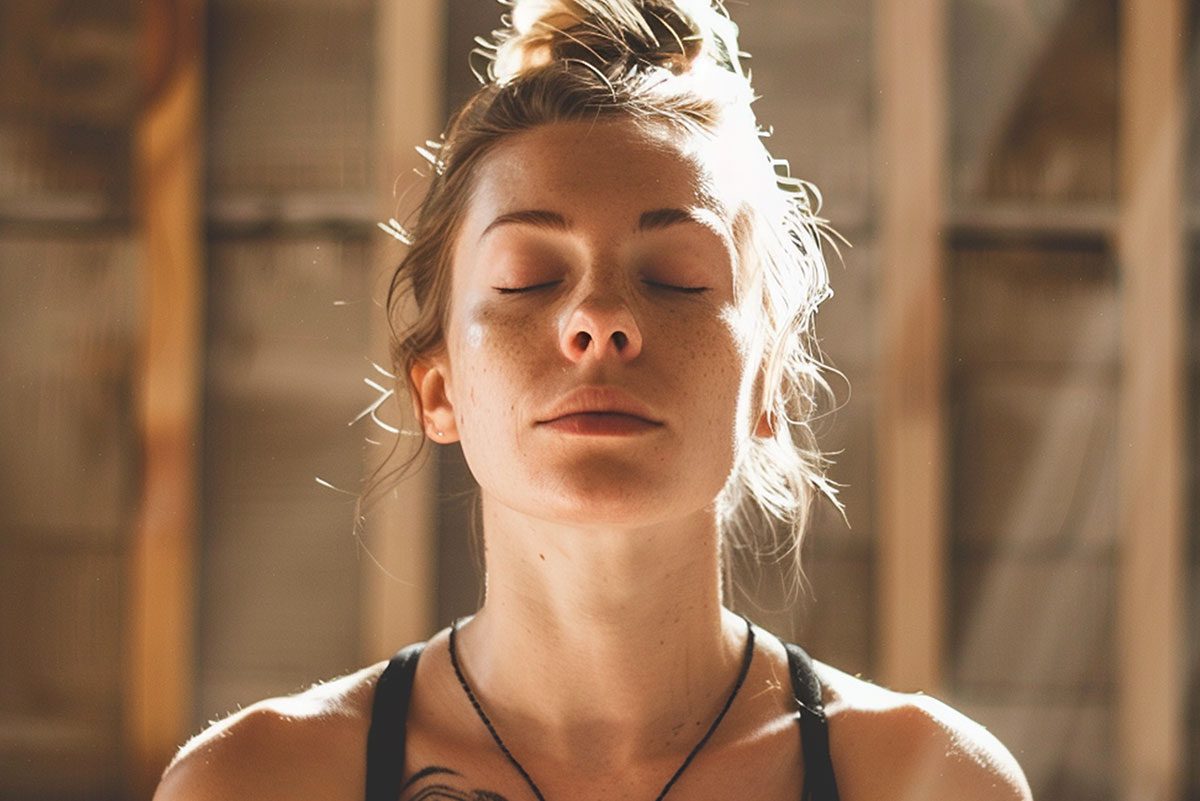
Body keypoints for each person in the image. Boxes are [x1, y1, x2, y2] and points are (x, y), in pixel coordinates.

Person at [155, 2, 1033, 799]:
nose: (600, 319)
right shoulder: (258, 783)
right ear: (438, 388)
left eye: (676, 279)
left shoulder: (931, 783)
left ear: (771, 388)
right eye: (529, 278)